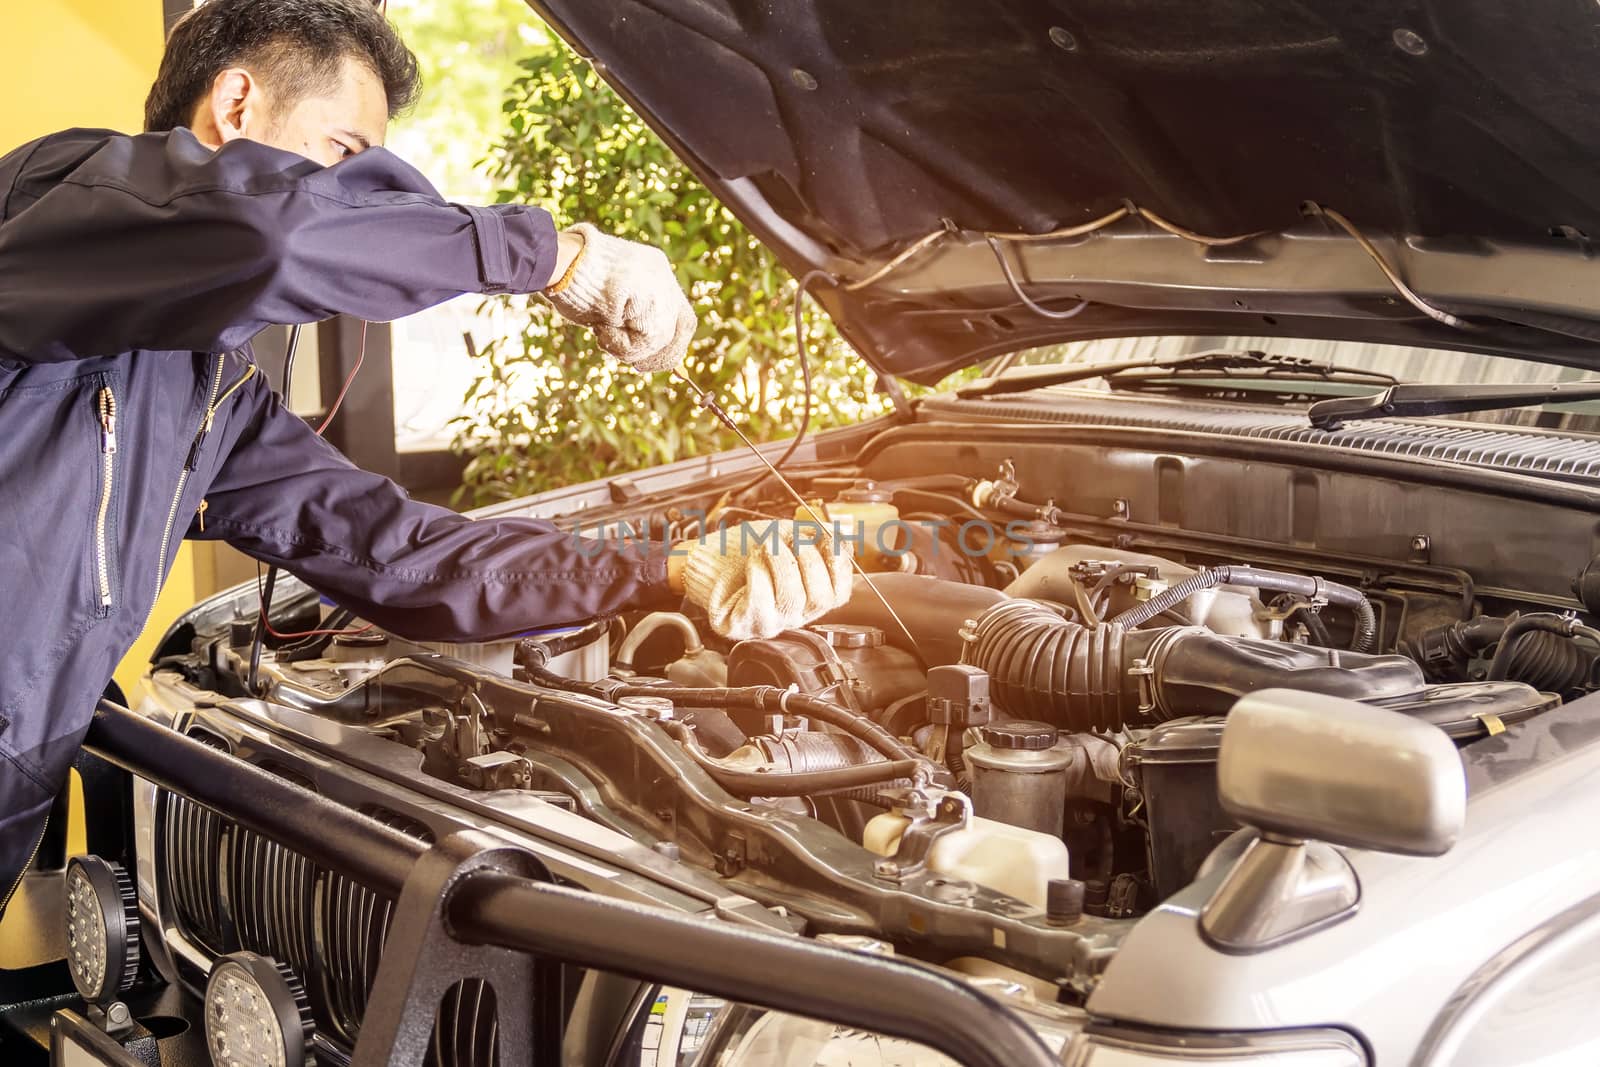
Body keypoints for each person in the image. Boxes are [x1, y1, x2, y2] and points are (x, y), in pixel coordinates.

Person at [0, 0, 849, 913]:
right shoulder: (55, 199)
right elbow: (274, 233)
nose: (362, 203)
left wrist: (666, 570)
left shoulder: (214, 398)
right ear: (238, 106)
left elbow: (402, 554)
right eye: (346, 157)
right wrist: (552, 257)